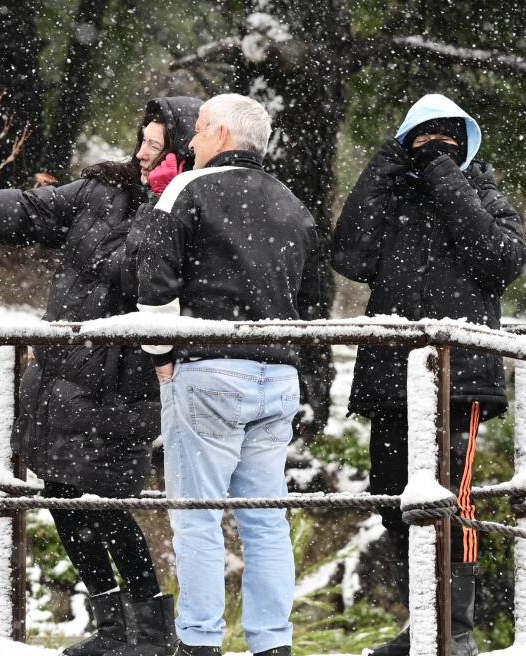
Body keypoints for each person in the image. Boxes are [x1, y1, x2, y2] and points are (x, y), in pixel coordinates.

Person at [0, 96, 204, 656]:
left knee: (109, 502)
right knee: (63, 498)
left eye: (158, 148)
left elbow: (166, 286)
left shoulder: (191, 211)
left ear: (185, 155)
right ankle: (111, 627)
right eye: (142, 140)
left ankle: (152, 630)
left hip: (126, 380)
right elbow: (28, 208)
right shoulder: (102, 191)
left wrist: (170, 198)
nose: (142, 154)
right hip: (60, 376)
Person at [331, 93, 526, 655]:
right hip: (392, 374)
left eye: (448, 141)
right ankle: (425, 622)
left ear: (467, 145)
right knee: (393, 496)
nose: (435, 149)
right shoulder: (391, 197)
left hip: (459, 379)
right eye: (423, 139)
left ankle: (455, 630)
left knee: (452, 499)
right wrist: (386, 165)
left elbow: (502, 259)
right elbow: (349, 255)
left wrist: (446, 175)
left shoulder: (483, 193)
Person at [136, 93, 325, 656]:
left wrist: (161, 356)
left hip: (209, 368)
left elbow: (155, 283)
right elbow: (314, 300)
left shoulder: (186, 190)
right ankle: (273, 644)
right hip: (278, 376)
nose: (188, 142)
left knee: (197, 517)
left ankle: (200, 643)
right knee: (265, 519)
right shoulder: (294, 203)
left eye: (196, 130)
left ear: (219, 134)